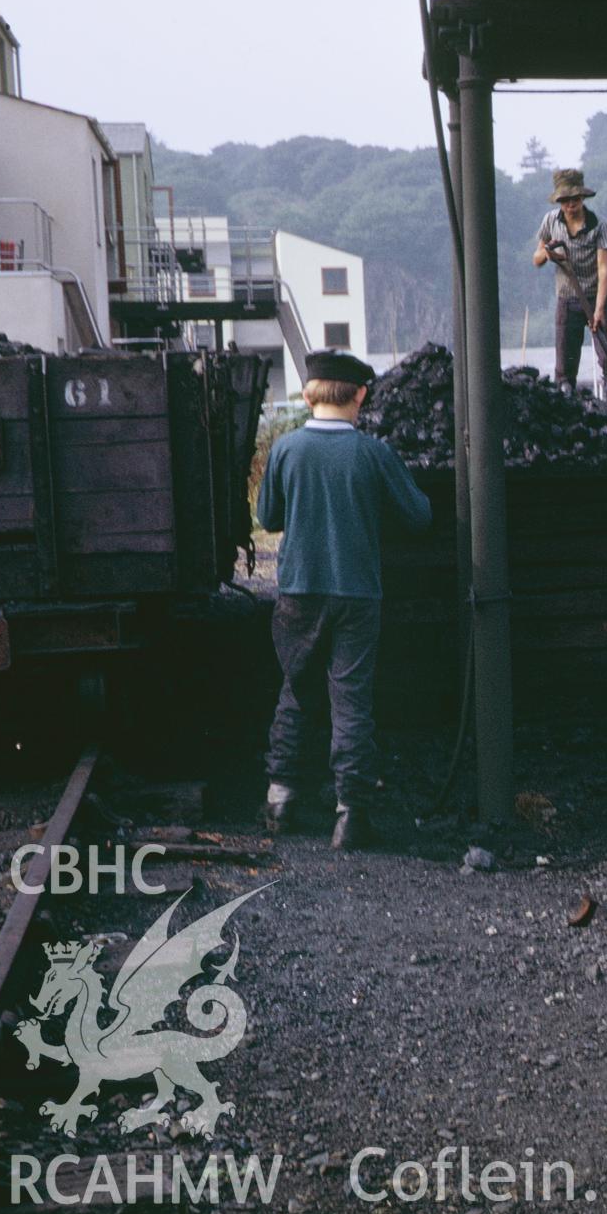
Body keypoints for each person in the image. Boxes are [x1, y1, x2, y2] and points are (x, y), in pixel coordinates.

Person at [259, 351, 433, 848]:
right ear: (359, 394)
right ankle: (350, 815)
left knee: (295, 692)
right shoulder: (371, 453)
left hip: (297, 592)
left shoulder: (286, 450)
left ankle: (280, 800)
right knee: (351, 701)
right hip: (357, 593)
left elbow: (269, 517)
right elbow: (419, 515)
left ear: (311, 394)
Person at [534, 168, 607, 389]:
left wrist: (599, 309)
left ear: (582, 198)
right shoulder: (551, 222)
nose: (570, 205)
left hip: (596, 296)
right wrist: (548, 252)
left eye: (574, 199)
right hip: (567, 300)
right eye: (564, 201)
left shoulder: (598, 225)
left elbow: (603, 271)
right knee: (564, 368)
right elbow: (536, 259)